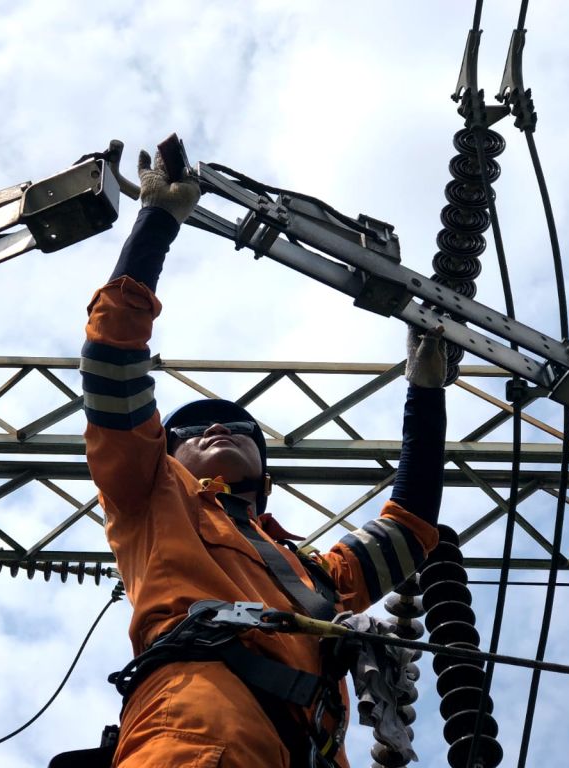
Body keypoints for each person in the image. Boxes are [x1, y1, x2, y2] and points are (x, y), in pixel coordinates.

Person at [80, 143, 447, 768]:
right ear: (165, 456)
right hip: (195, 724)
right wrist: (157, 222)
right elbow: (113, 362)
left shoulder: (317, 578)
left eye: (238, 428)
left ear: (267, 480)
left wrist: (426, 393)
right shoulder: (150, 496)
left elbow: (408, 529)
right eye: (193, 430)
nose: (218, 427)